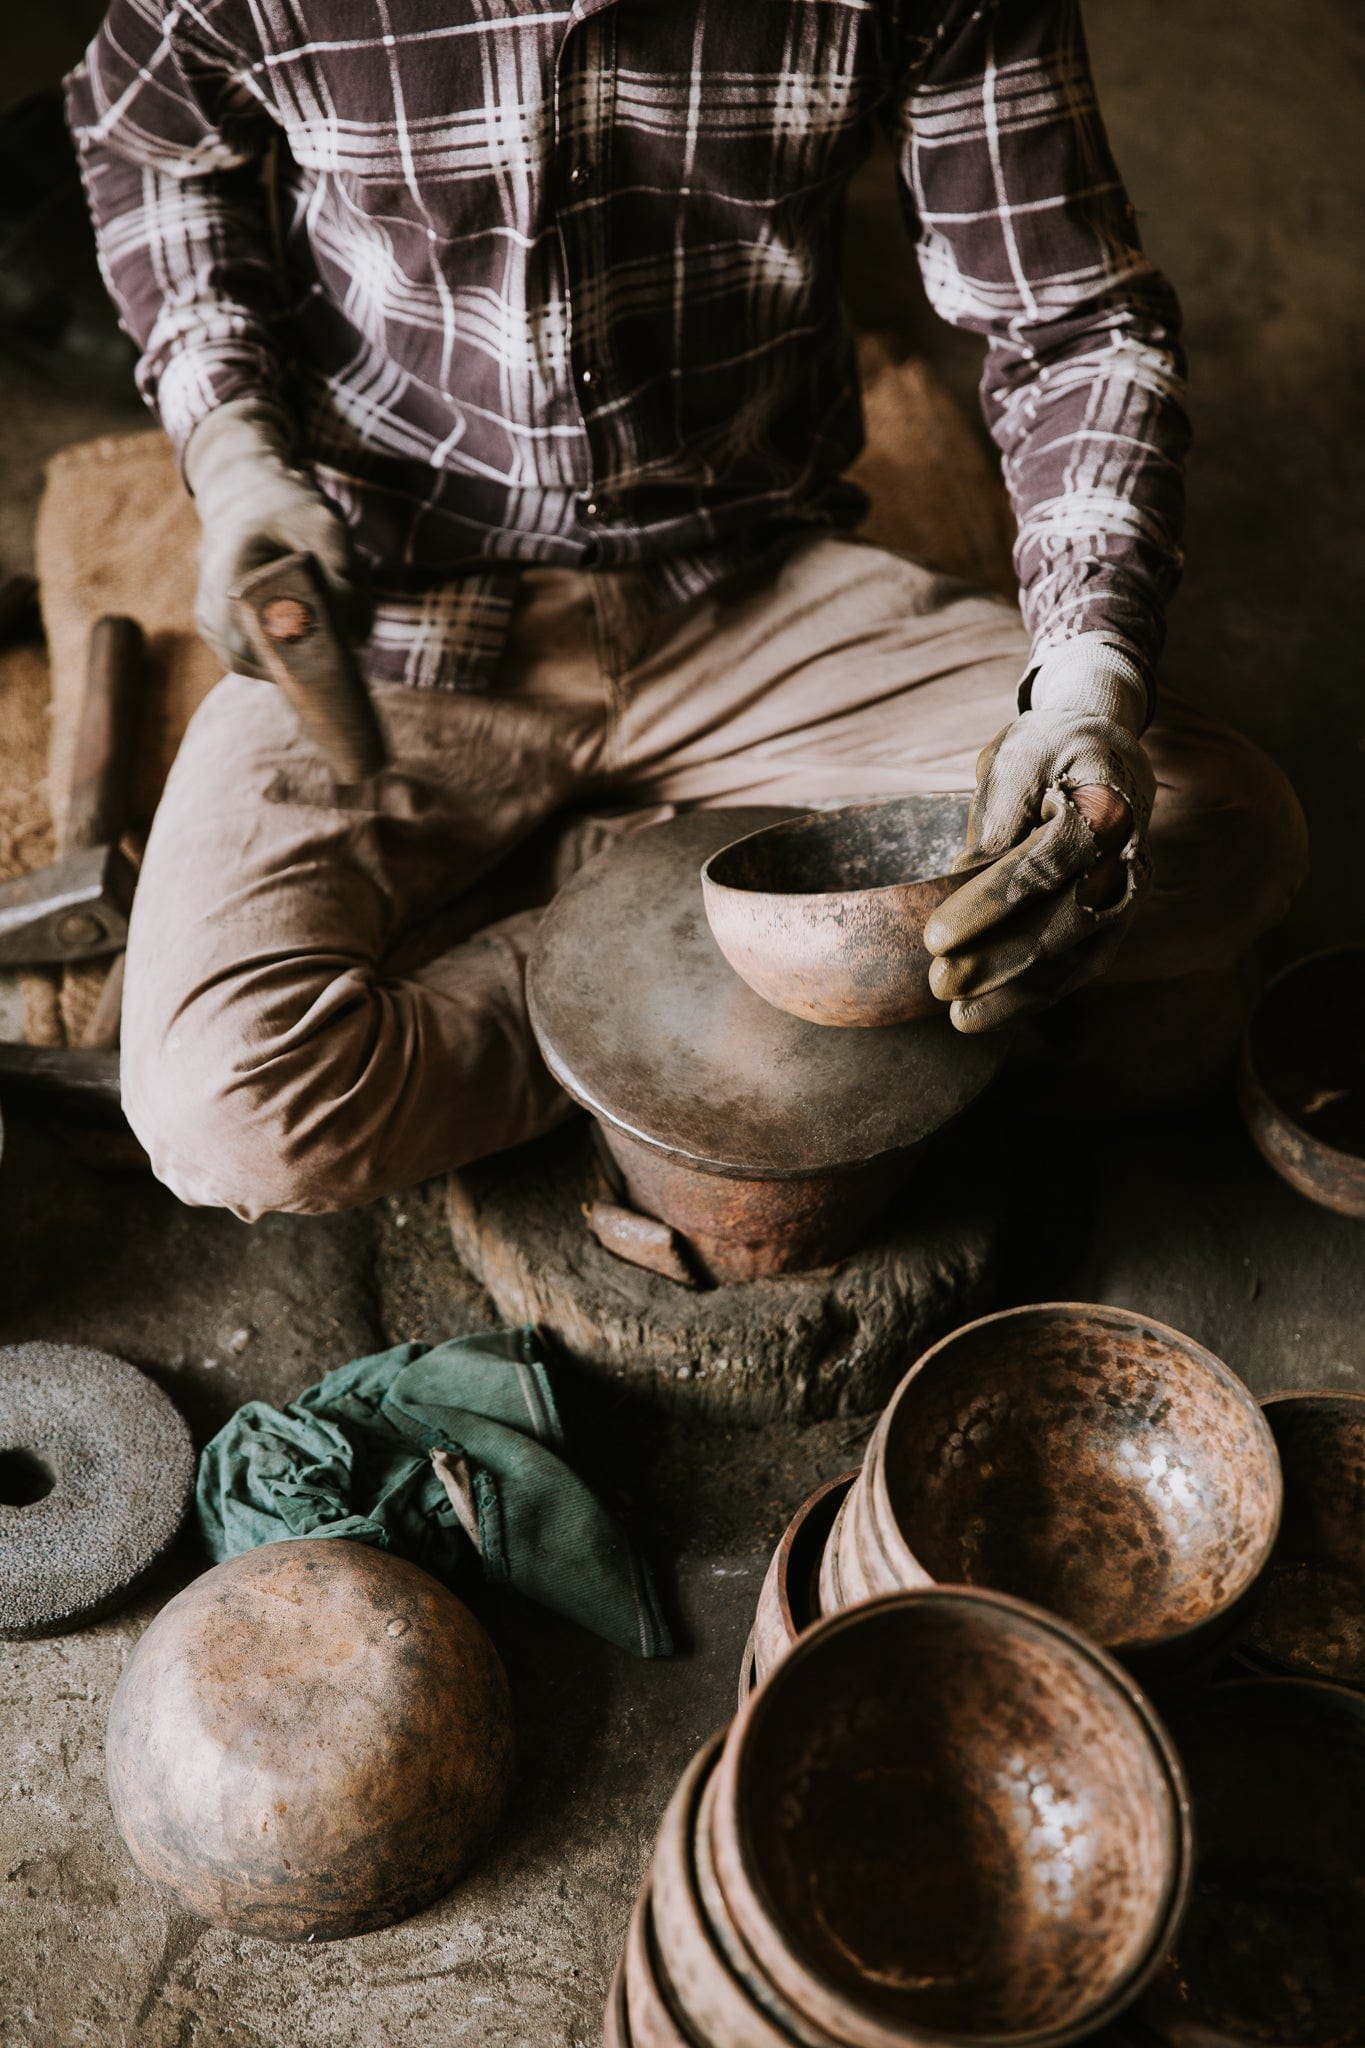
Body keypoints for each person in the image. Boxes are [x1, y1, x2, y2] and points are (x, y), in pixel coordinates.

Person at [66, 0, 1305, 1221]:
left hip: (751, 574)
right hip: (394, 600)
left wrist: (1086, 686)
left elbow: (1073, 319)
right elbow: (150, 143)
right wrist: (234, 452)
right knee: (224, 1106)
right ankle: (711, 918)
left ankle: (644, 897)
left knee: (1207, 835)